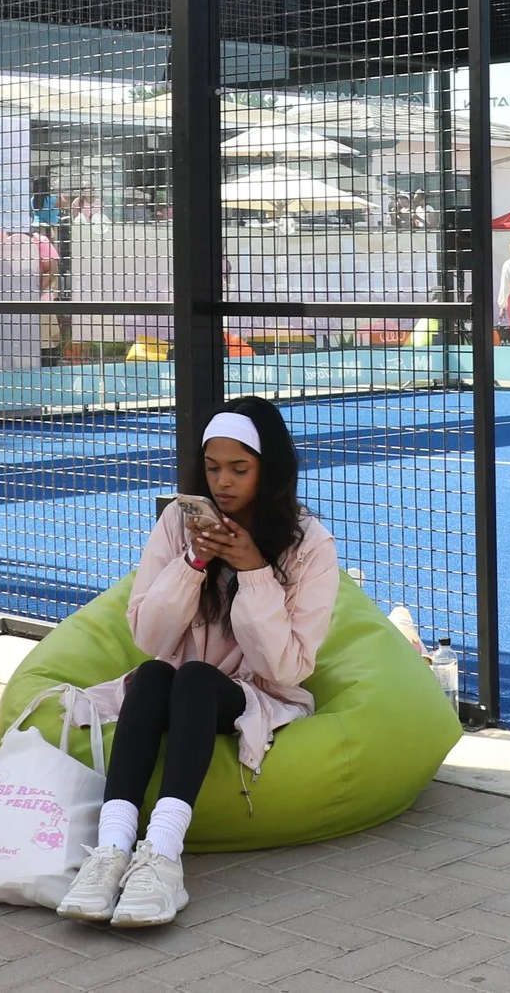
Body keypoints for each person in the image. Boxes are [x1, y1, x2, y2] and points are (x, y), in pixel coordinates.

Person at [57, 398, 338, 929]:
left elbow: (285, 668)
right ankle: (113, 849)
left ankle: (162, 854)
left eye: (240, 469)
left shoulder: (309, 543)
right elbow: (149, 636)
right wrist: (195, 562)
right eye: (212, 468)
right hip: (176, 684)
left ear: (269, 470)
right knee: (162, 672)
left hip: (256, 692)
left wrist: (253, 569)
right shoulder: (176, 522)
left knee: (193, 678)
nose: (223, 483)